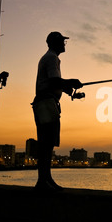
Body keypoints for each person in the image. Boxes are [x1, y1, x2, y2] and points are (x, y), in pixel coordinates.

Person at [32, 32, 83, 192]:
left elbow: (53, 83)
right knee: (46, 143)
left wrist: (70, 90)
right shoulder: (52, 58)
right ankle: (43, 181)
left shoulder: (50, 58)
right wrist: (71, 82)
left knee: (47, 144)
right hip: (46, 103)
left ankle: (46, 179)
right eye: (62, 41)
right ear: (55, 43)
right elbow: (54, 81)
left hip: (47, 102)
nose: (64, 44)